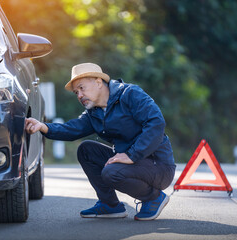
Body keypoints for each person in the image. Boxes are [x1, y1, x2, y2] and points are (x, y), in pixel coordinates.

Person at [25, 62, 176, 221]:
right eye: (76, 92)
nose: (79, 95)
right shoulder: (94, 112)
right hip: (131, 162)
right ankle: (110, 205)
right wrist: (43, 126)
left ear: (98, 82)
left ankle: (153, 198)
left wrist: (132, 155)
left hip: (157, 165)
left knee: (111, 172)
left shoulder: (130, 94)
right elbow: (72, 129)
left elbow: (156, 123)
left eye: (82, 88)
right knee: (86, 150)